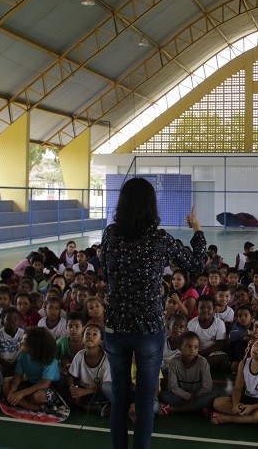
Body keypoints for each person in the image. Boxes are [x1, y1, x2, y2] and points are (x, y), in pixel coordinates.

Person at [99, 177, 206, 449]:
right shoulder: (158, 239)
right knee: (146, 398)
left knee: (121, 396)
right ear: (151, 206)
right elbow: (196, 263)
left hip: (116, 326)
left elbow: (108, 273)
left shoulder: (110, 234)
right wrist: (197, 230)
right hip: (148, 328)